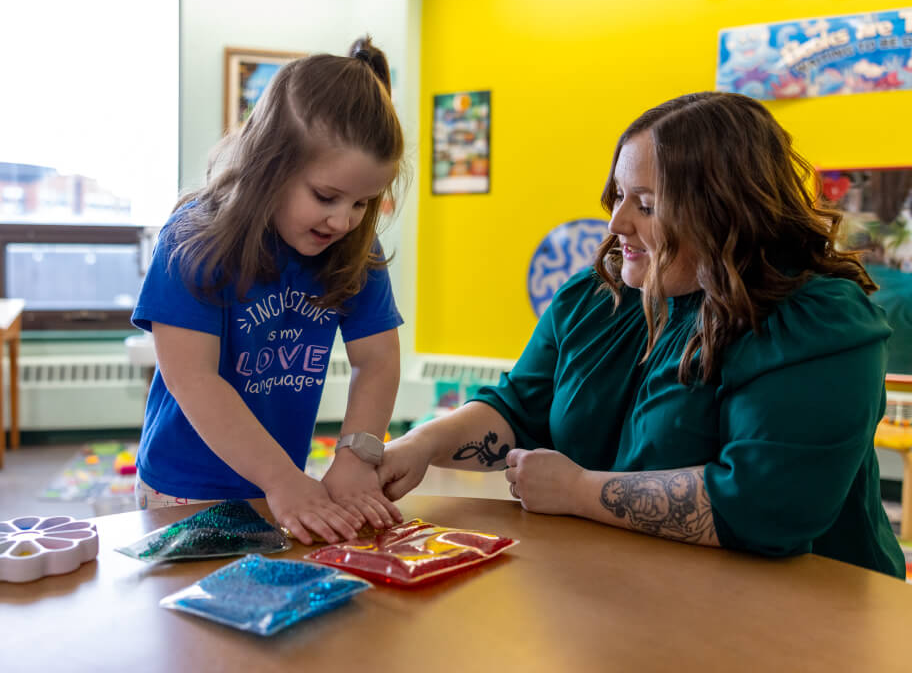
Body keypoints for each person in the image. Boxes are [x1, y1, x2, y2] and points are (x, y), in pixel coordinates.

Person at [379, 91, 905, 578]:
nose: (616, 222)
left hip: (806, 610)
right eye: (618, 196)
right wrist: (417, 446)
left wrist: (580, 491)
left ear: (723, 212)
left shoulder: (816, 320)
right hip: (634, 590)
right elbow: (519, 410)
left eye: (647, 205)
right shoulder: (597, 295)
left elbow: (764, 505)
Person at [132, 36, 407, 545]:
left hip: (280, 485)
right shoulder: (195, 238)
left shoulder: (353, 248)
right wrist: (282, 480)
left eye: (362, 203)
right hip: (185, 489)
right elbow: (192, 377)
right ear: (269, 164)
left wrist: (356, 456)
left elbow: (378, 361)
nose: (343, 221)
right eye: (326, 196)